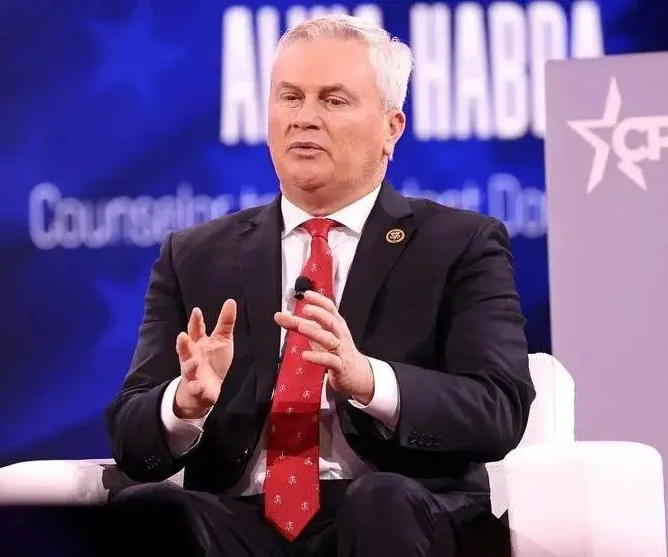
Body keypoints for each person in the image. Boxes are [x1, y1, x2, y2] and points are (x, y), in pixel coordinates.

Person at [105, 13, 535, 557]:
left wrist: (369, 381)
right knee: (151, 513)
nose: (304, 119)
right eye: (290, 97)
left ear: (391, 127)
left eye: (333, 100)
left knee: (378, 502)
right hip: (241, 523)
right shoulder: (194, 256)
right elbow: (130, 433)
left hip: (395, 513)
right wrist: (184, 405)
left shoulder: (460, 243)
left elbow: (498, 408)